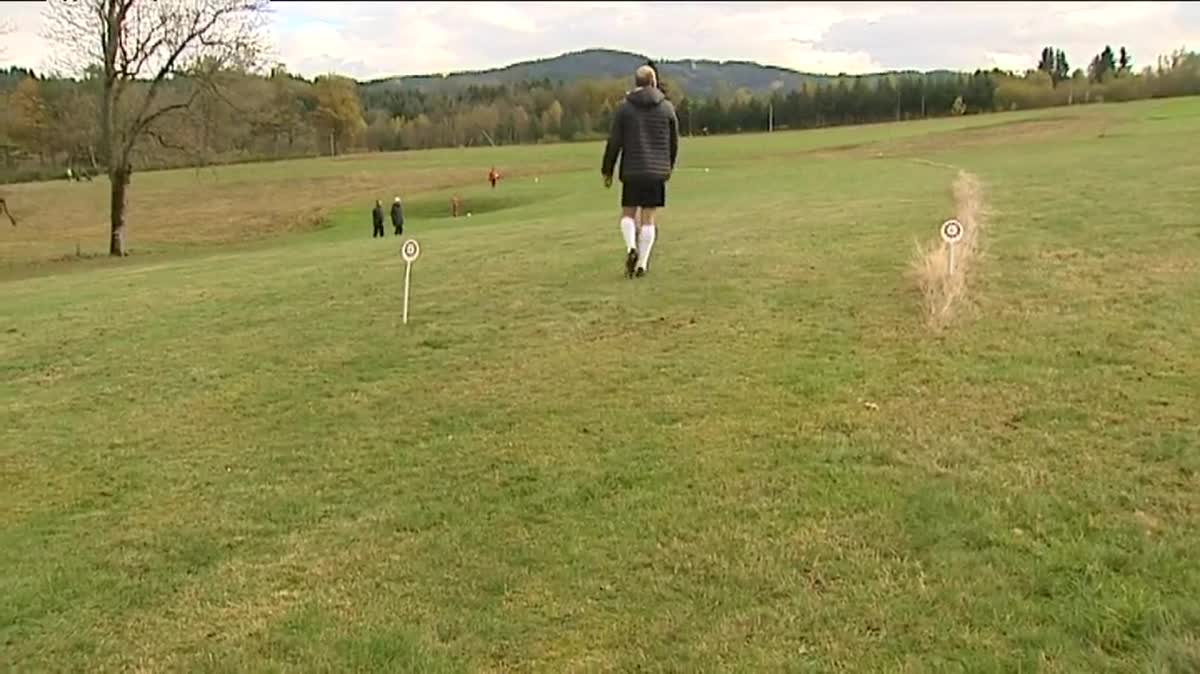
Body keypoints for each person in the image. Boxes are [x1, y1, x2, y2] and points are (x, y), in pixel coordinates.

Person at [601, 64, 679, 279]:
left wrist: (607, 169)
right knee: (648, 218)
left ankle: (630, 248)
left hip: (632, 170)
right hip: (656, 172)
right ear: (654, 82)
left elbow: (614, 141)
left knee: (628, 214)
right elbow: (674, 143)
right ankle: (643, 263)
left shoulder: (625, 108)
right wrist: (668, 167)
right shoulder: (667, 108)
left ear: (636, 83)